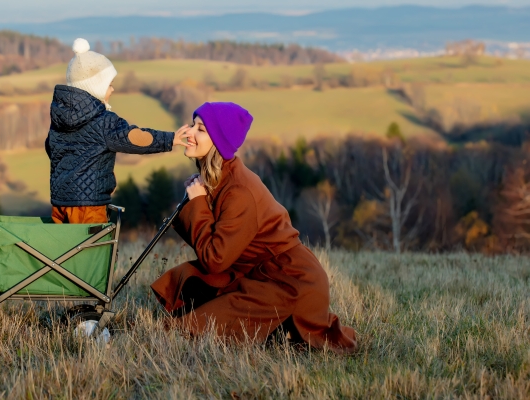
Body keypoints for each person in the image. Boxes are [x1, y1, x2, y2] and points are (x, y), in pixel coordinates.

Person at [151, 102, 358, 353]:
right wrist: (199, 202)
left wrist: (197, 204)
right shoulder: (219, 178)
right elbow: (214, 248)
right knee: (190, 277)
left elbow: (214, 259)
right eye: (193, 124)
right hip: (256, 273)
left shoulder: (239, 191)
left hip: (289, 283)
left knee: (189, 329)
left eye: (201, 129)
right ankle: (270, 329)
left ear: (219, 141)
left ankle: (283, 328)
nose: (190, 133)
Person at [45, 38, 188, 223]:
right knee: (91, 250)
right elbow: (133, 138)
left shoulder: (59, 119)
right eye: (109, 84)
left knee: (65, 250)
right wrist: (169, 139)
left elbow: (51, 148)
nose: (112, 89)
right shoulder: (103, 121)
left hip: (59, 203)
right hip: (89, 205)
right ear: (95, 86)